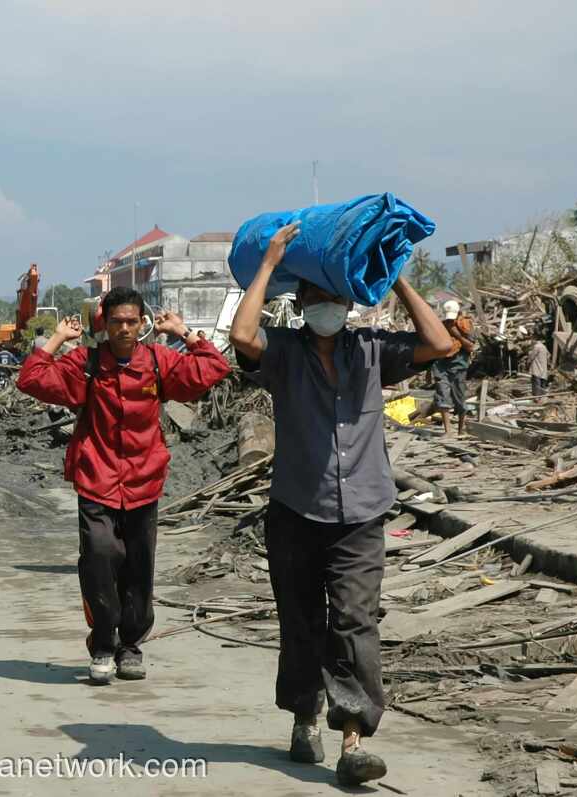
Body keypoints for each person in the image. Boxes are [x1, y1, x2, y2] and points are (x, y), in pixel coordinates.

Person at [229, 223, 455, 787]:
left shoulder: (373, 352)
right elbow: (242, 335)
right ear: (300, 302)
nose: (326, 306)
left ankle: (353, 736)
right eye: (316, 297)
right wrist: (269, 263)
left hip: (361, 516)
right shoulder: (284, 352)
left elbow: (442, 344)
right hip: (296, 513)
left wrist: (394, 277)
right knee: (302, 623)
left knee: (356, 623)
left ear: (350, 303)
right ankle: (305, 716)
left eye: (335, 297)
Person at [17, 287, 230, 686]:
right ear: (105, 323)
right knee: (98, 558)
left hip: (144, 481)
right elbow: (31, 379)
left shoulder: (158, 362)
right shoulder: (87, 363)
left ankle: (130, 646)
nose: (125, 329)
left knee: (138, 567)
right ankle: (102, 644)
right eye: (117, 322)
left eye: (132, 322)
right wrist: (58, 339)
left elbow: (212, 369)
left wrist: (185, 333)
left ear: (143, 324)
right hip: (96, 479)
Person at [432, 300, 475, 436]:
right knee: (442, 396)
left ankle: (461, 431)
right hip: (441, 365)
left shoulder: (465, 325)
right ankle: (448, 431)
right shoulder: (440, 326)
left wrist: (456, 334)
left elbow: (470, 346)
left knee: (459, 397)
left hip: (459, 365)